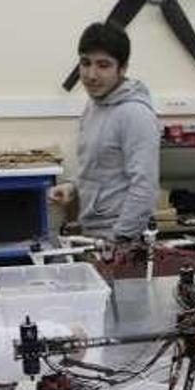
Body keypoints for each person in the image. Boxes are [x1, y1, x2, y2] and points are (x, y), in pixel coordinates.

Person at [49, 22, 160, 242]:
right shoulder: (93, 106)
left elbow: (144, 185)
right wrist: (72, 187)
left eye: (103, 65)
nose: (91, 74)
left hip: (120, 240)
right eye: (85, 63)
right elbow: (97, 168)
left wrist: (121, 238)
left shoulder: (135, 113)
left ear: (123, 68)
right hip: (93, 233)